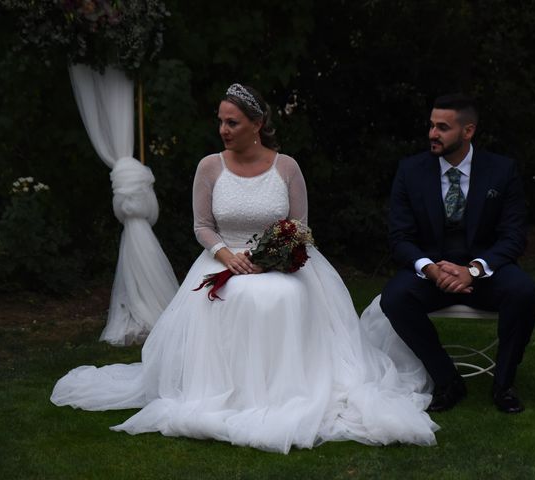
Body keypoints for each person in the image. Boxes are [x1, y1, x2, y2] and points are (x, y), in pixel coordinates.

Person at [51, 83, 438, 454]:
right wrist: (226, 255)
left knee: (282, 296)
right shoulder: (209, 167)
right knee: (228, 296)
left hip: (283, 263)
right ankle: (228, 390)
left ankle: (288, 390)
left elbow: (299, 227)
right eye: (220, 121)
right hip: (223, 256)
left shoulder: (286, 167)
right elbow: (201, 225)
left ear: (256, 124)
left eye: (232, 122)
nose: (223, 129)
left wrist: (275, 259)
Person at [362, 94, 535, 414]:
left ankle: (504, 384)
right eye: (431, 126)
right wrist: (430, 269)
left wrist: (473, 270)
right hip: (432, 272)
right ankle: (447, 380)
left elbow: (513, 237)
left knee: (524, 292)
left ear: (468, 131)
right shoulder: (410, 170)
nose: (432, 134)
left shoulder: (502, 170)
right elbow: (399, 237)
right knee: (395, 298)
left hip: (484, 272)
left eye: (442, 127)